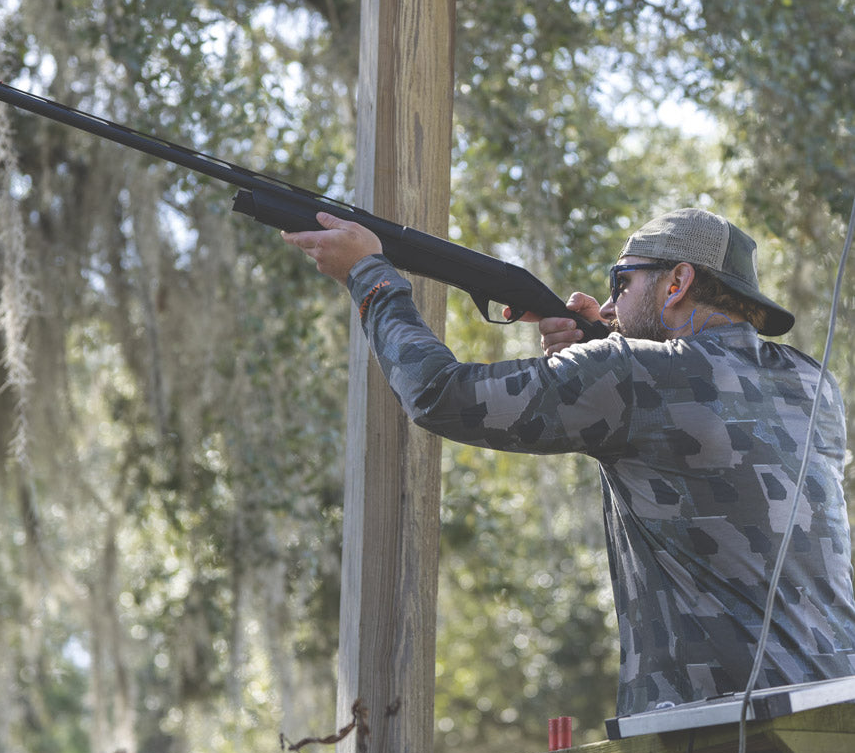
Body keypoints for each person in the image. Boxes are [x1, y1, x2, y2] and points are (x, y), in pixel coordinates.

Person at [282, 207, 855, 716]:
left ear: (677, 282)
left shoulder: (630, 372)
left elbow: (436, 395)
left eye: (622, 281)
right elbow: (697, 424)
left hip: (717, 733)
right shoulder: (812, 382)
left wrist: (370, 276)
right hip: (837, 709)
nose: (607, 303)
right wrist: (603, 341)